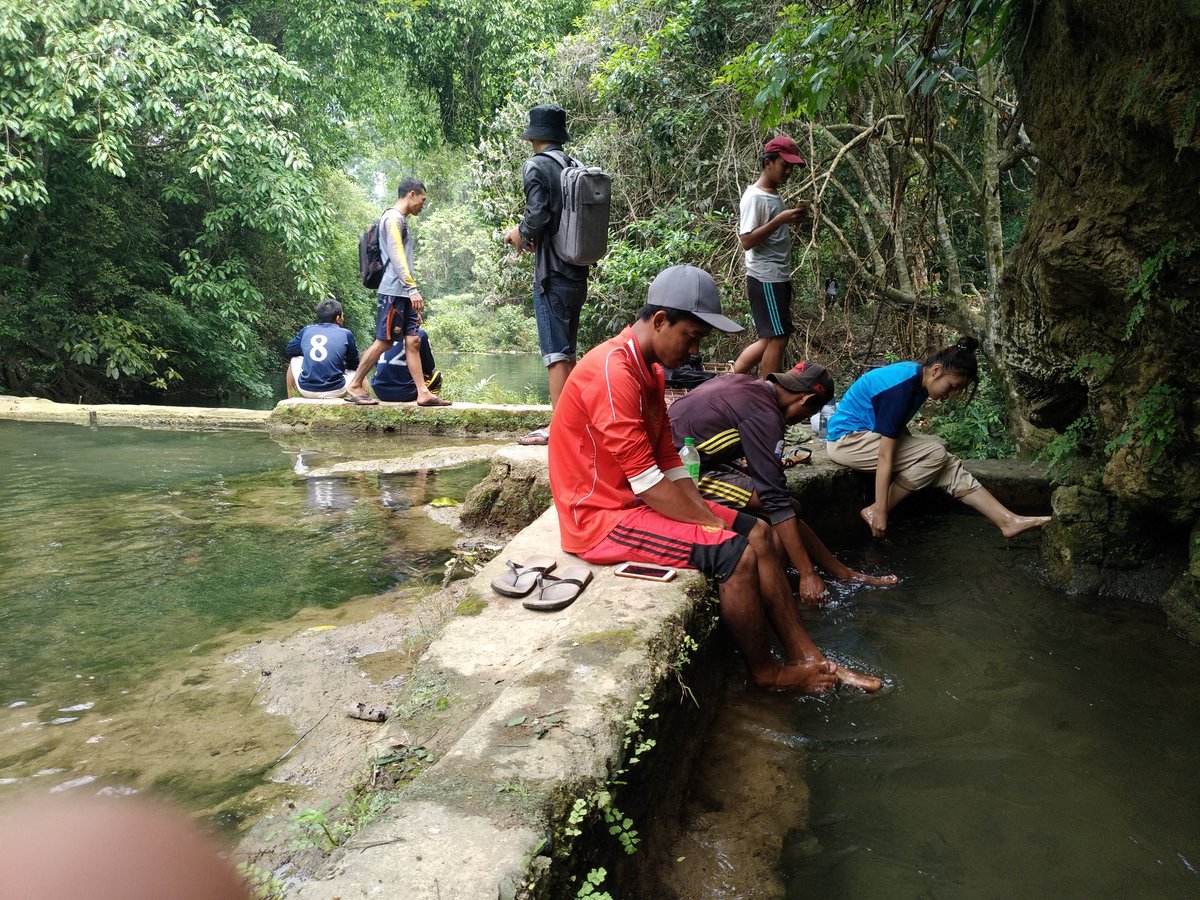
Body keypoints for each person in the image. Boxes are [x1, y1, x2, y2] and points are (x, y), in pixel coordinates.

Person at [548, 264, 879, 693]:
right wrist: (711, 524)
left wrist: (707, 516)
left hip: (636, 501)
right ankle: (766, 674)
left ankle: (807, 656)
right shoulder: (614, 371)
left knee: (759, 532)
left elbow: (669, 461)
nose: (694, 351)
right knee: (735, 554)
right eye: (692, 337)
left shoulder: (650, 371)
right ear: (661, 320)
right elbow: (647, 481)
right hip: (600, 518)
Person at [668, 361, 898, 604]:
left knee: (791, 507)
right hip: (682, 471)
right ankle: (831, 575)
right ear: (806, 400)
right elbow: (774, 499)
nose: (799, 421)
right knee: (780, 506)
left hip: (695, 456)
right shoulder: (767, 414)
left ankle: (836, 573)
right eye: (806, 415)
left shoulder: (748, 384)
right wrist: (808, 574)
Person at [825, 336, 1052, 539]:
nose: (952, 394)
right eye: (952, 386)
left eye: (957, 391)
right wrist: (882, 512)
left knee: (947, 464)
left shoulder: (917, 378)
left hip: (864, 438)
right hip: (847, 441)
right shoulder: (901, 388)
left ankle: (1007, 521)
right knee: (935, 453)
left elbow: (896, 428)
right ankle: (876, 509)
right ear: (936, 370)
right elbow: (885, 455)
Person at [504, 104, 589, 445]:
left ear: (533, 137)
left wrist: (519, 233)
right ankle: (572, 424)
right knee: (568, 352)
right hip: (577, 271)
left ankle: (560, 430)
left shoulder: (537, 165)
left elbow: (538, 216)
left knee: (555, 355)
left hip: (551, 273)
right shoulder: (574, 165)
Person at [344, 177, 451, 407]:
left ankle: (423, 393)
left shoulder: (400, 219)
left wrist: (410, 289)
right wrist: (412, 288)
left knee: (413, 341)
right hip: (394, 290)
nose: (423, 205)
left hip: (403, 291)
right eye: (422, 199)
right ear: (412, 194)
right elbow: (395, 253)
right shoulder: (393, 217)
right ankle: (355, 384)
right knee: (384, 341)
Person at [732, 135, 812, 379]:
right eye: (784, 165)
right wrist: (780, 220)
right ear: (768, 163)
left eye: (792, 167)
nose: (788, 171)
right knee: (778, 338)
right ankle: (769, 392)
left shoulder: (772, 194)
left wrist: (789, 219)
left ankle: (730, 378)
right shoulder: (755, 196)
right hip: (766, 277)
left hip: (776, 275)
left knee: (770, 338)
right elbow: (746, 241)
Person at [285, 298, 361, 399]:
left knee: (295, 359)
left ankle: (290, 399)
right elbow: (354, 364)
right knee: (361, 367)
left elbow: (290, 351)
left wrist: (307, 353)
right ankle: (364, 397)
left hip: (306, 390)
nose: (343, 318)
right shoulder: (346, 333)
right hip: (337, 389)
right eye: (342, 315)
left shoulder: (306, 330)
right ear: (338, 318)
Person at [371, 328, 443, 402]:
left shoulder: (381, 332)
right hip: (406, 393)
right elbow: (429, 367)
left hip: (380, 392)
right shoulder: (419, 333)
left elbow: (376, 364)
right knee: (436, 375)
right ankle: (427, 398)